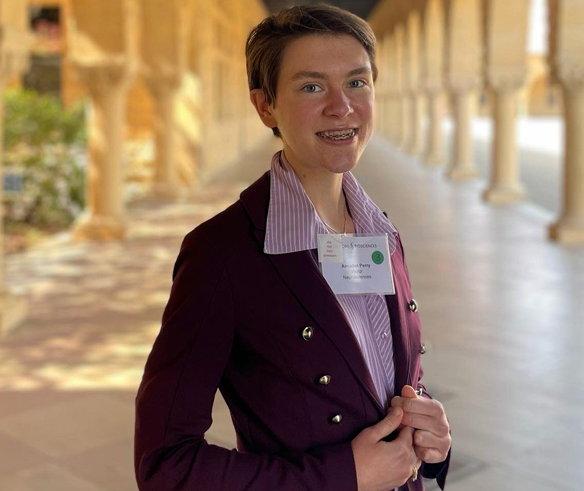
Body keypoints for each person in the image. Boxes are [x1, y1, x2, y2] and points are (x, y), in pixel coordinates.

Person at [134, 5, 451, 491]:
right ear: (266, 107)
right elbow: (167, 466)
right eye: (311, 86)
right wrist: (341, 476)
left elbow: (382, 373)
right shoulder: (222, 254)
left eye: (357, 82)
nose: (341, 106)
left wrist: (428, 436)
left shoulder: (380, 231)